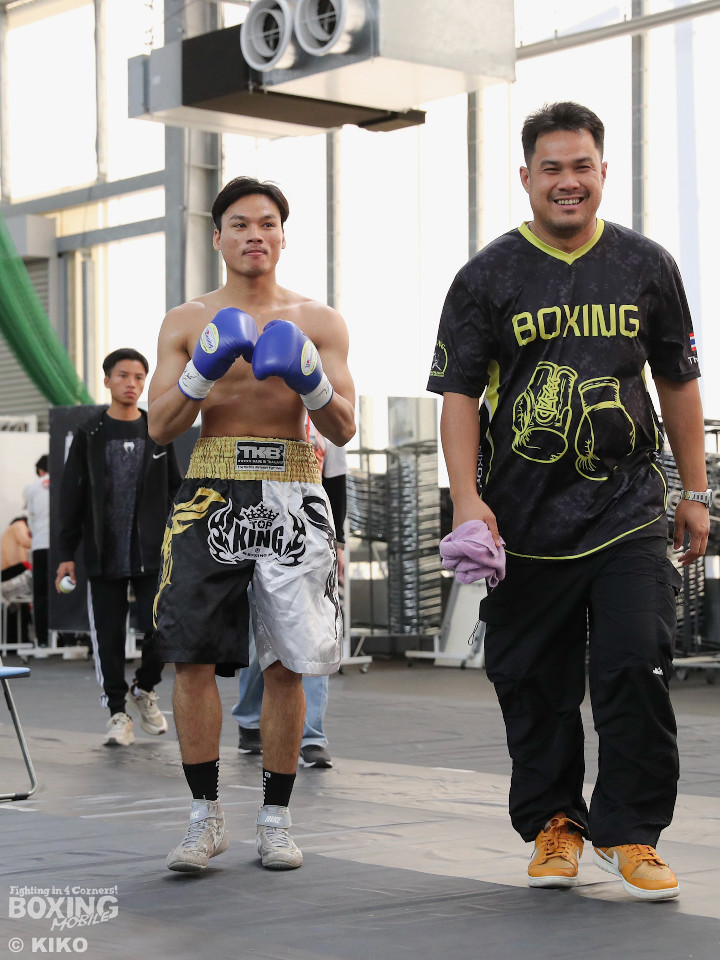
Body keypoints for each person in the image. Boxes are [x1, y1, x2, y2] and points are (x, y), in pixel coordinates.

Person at [428, 102, 709, 902]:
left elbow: (678, 382)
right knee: (532, 684)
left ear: (603, 172)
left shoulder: (646, 265)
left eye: (581, 166)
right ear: (526, 177)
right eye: (551, 168)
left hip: (627, 511)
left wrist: (694, 492)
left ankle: (629, 831)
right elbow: (458, 397)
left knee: (636, 661)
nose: (568, 181)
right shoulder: (486, 276)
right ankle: (556, 822)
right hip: (522, 523)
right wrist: (467, 500)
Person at [148, 176, 355, 873]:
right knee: (191, 655)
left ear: (283, 236)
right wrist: (201, 373)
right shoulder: (186, 321)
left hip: (294, 484)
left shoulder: (320, 321)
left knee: (287, 661)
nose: (254, 235)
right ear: (218, 237)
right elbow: (159, 427)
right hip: (210, 485)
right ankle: (204, 819)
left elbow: (344, 427)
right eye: (239, 224)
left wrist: (310, 378)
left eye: (266, 223)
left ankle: (275, 818)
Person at [55, 348, 182, 747]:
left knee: (162, 627)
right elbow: (71, 496)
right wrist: (65, 555)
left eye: (139, 377)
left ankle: (143, 688)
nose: (132, 383)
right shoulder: (89, 433)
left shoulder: (157, 430)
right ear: (107, 380)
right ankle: (117, 713)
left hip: (151, 554)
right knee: (108, 638)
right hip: (103, 553)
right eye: (124, 375)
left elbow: (175, 490)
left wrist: (178, 541)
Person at [233, 421, 348, 769]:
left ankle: (311, 736)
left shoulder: (324, 416)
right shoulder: (259, 411)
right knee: (262, 634)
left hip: (308, 536)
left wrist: (338, 543)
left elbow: (336, 482)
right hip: (258, 529)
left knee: (315, 634)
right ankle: (249, 718)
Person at [23, 455, 50, 650]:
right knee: (65, 594)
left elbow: (30, 521)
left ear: (40, 470)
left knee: (40, 595)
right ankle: (67, 639)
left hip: (40, 545)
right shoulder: (63, 482)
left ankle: (42, 640)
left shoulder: (31, 488)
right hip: (60, 548)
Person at [1, 516, 34, 645]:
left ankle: (18, 640)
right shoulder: (19, 525)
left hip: (8, 573)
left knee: (20, 607)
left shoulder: (10, 533)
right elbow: (26, 541)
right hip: (12, 571)